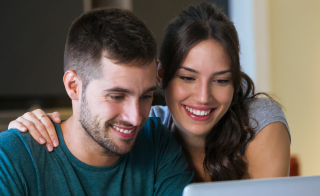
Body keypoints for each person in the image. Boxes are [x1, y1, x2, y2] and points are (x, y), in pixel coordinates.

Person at [0, 8, 193, 196]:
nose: (135, 117)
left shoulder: (156, 141)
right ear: (73, 86)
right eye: (117, 96)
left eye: (145, 96)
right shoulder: (17, 152)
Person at [10, 3, 291, 182]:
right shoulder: (148, 126)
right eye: (187, 77)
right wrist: (25, 133)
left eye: (221, 80)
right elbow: (87, 133)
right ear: (161, 74)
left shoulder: (258, 121)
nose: (204, 96)